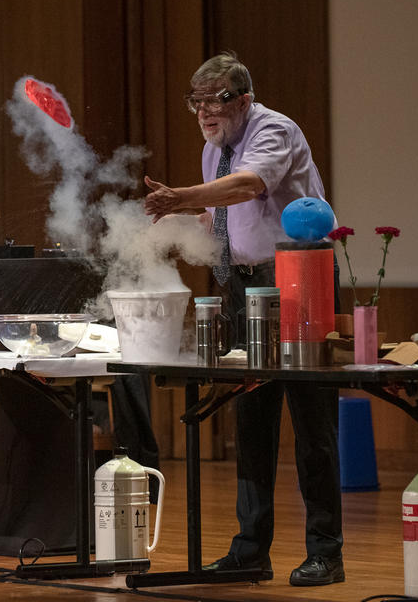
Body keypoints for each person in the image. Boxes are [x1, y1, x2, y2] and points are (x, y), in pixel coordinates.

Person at [143, 51, 344, 587]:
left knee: (311, 424)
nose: (205, 112)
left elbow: (249, 186)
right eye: (197, 101)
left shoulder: (271, 130)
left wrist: (180, 197)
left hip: (298, 279)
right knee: (250, 421)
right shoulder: (215, 149)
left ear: (245, 100)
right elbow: (219, 214)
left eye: (216, 100)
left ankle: (326, 551)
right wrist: (177, 219)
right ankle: (250, 551)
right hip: (243, 283)